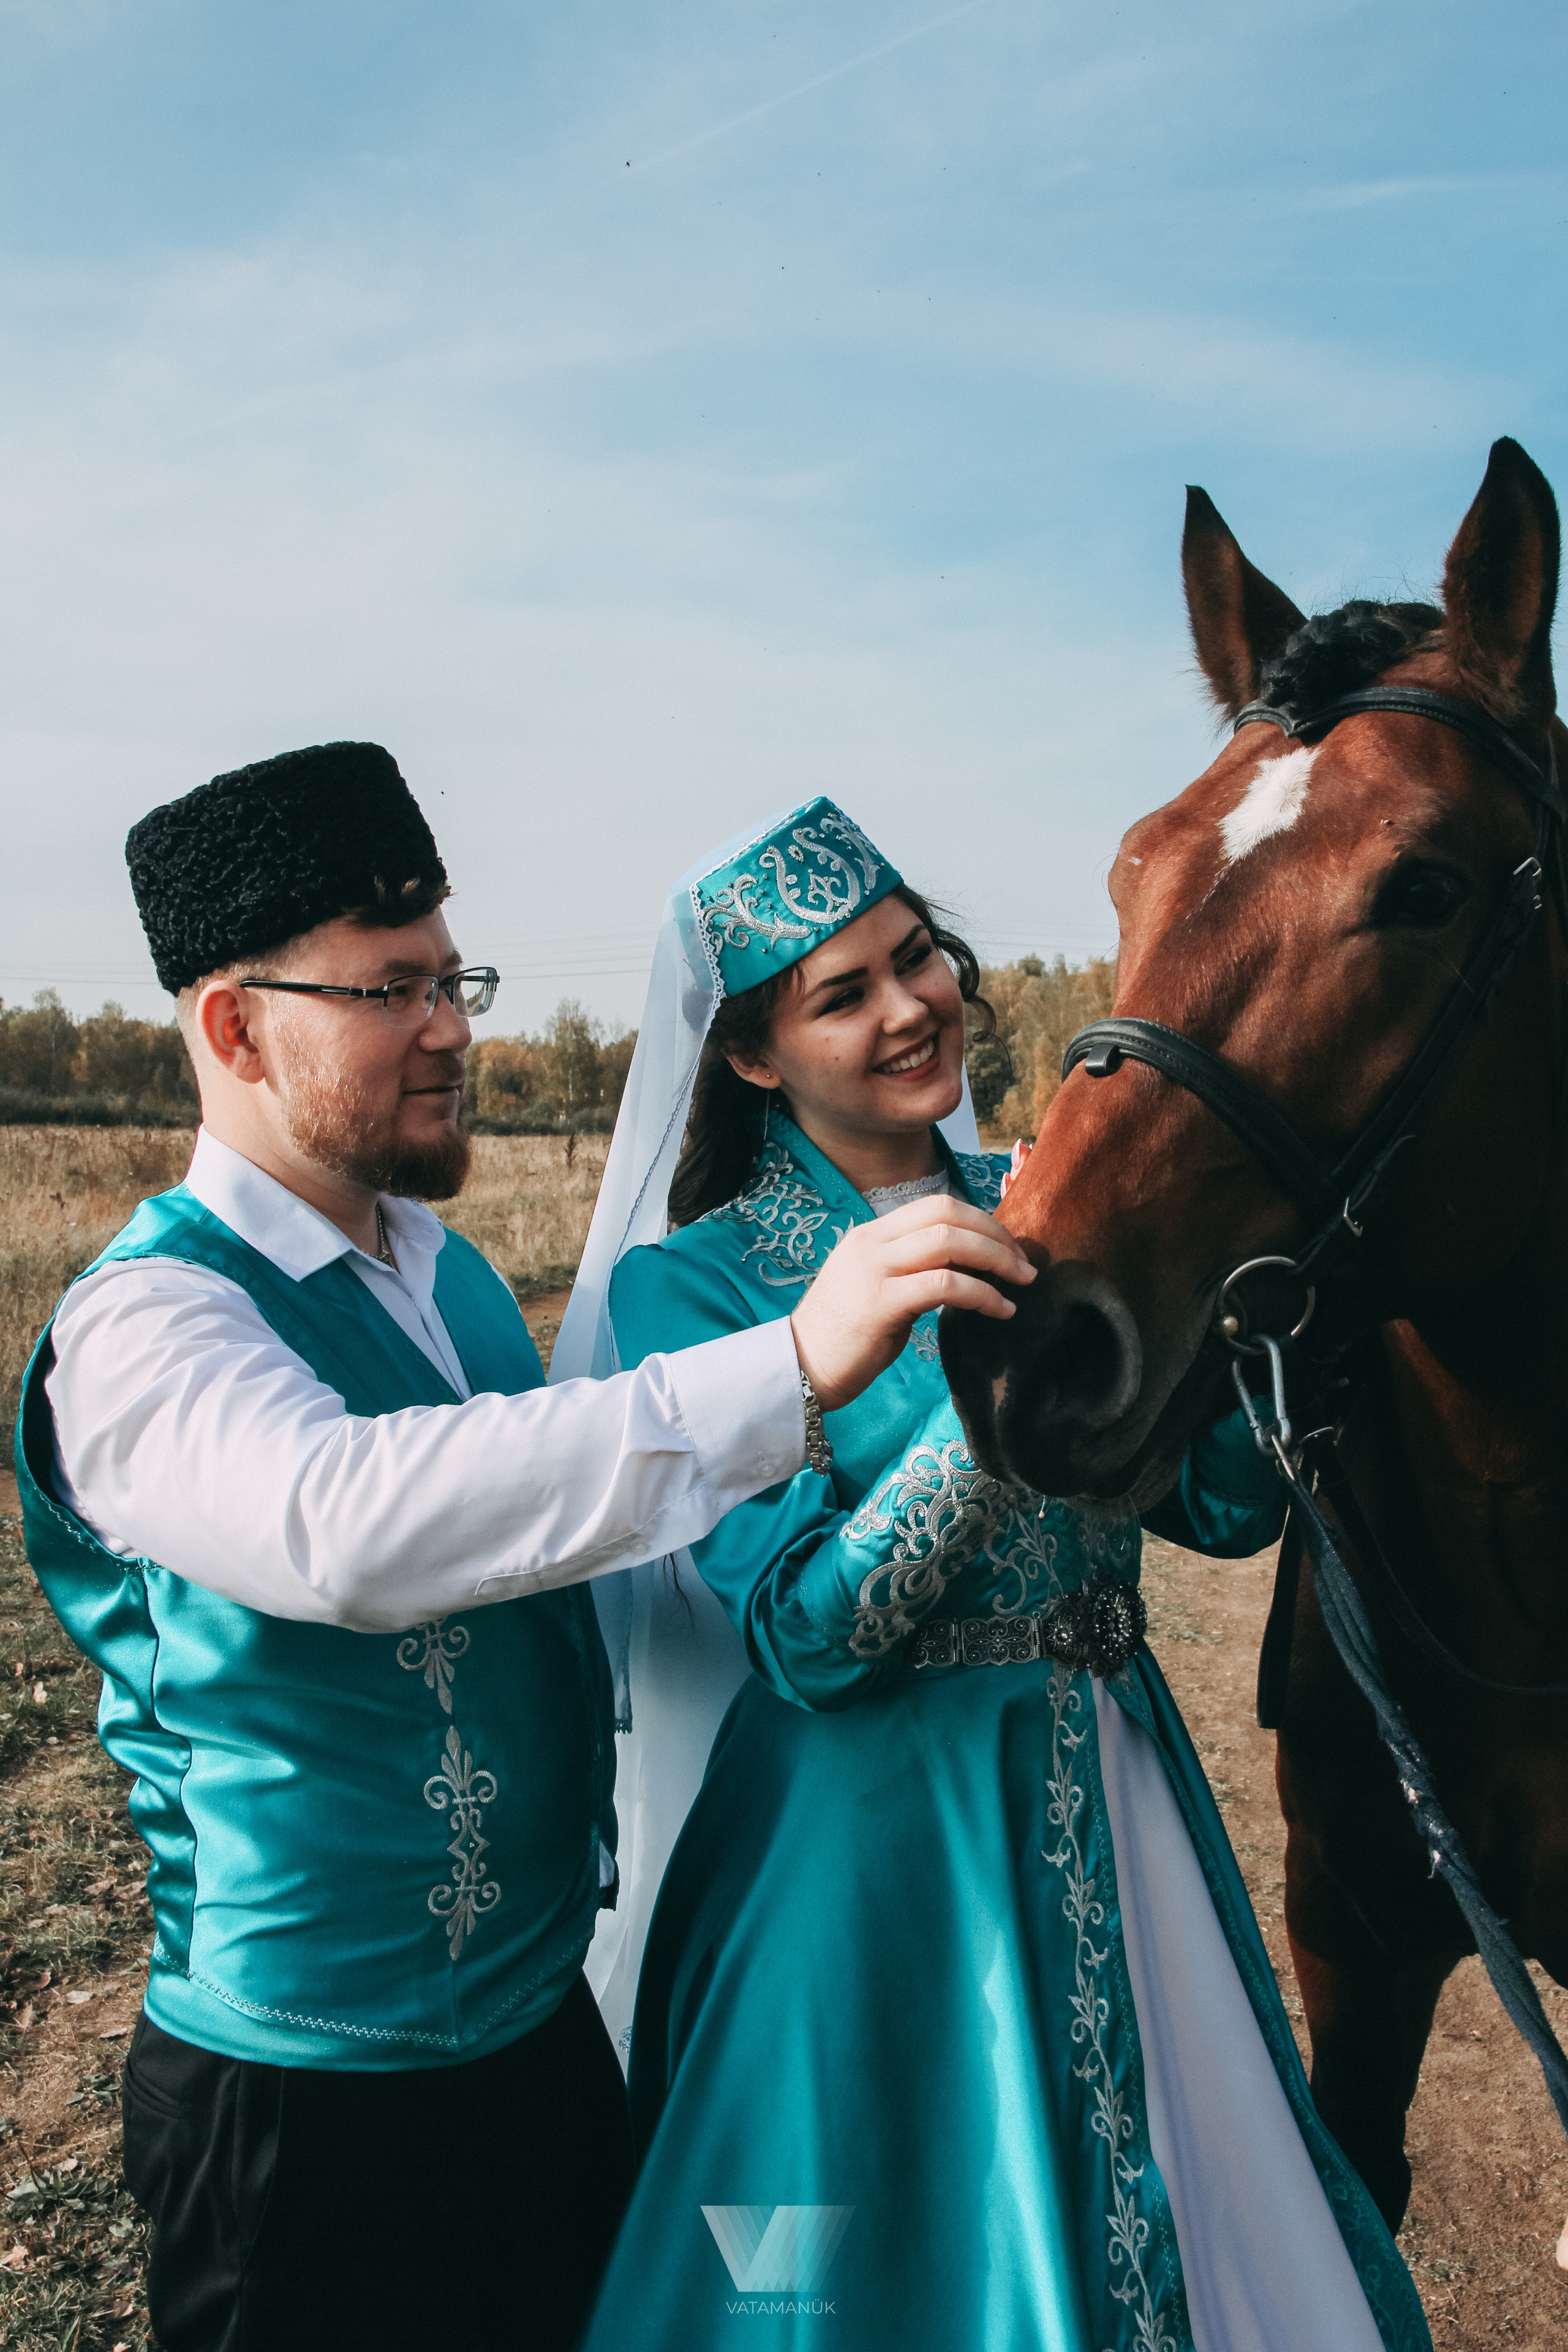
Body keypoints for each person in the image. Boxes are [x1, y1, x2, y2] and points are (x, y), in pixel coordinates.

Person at [12, 745, 1035, 2352]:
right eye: (391, 991)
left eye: (452, 977)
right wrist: (792, 1364)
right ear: (232, 1025)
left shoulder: (460, 1282)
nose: (453, 1028)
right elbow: (344, 1528)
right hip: (306, 2105)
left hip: (544, 2043)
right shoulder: (147, 1327)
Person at [568, 799, 1432, 2351]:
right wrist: (982, 1404)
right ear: (755, 1058)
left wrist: (1266, 1330)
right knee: (832, 2278)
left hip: (1114, 1790)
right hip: (856, 1867)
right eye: (842, 995)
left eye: (917, 959)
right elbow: (808, 1641)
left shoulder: (1053, 1195)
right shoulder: (692, 1282)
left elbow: (1218, 1518)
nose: (910, 1009)